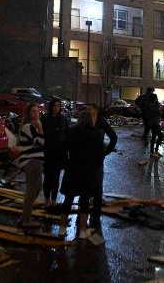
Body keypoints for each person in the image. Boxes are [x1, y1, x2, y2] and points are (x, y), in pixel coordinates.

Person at [59, 104, 117, 238]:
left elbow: (63, 148)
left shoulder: (71, 131)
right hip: (88, 171)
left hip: (73, 170)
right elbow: (99, 153)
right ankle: (83, 231)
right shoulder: (97, 134)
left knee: (68, 199)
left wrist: (66, 164)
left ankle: (62, 228)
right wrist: (100, 160)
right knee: (84, 201)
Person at [13, 103, 45, 228]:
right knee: (32, 191)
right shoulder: (28, 126)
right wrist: (41, 128)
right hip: (32, 161)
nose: (36, 114)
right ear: (28, 114)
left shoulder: (33, 126)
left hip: (35, 161)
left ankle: (24, 217)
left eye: (37, 111)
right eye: (33, 111)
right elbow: (40, 143)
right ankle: (26, 220)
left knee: (36, 189)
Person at [41, 98, 69, 207]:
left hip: (59, 153)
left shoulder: (63, 119)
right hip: (47, 152)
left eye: (58, 105)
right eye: (55, 105)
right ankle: (47, 199)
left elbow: (66, 134)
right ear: (51, 106)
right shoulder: (45, 118)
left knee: (56, 178)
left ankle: (53, 199)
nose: (56, 108)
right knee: (47, 177)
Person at [144, 89, 163, 156]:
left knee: (154, 137)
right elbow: (157, 113)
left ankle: (153, 151)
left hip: (153, 123)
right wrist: (159, 111)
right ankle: (155, 151)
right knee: (160, 136)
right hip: (154, 123)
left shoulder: (151, 105)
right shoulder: (152, 106)